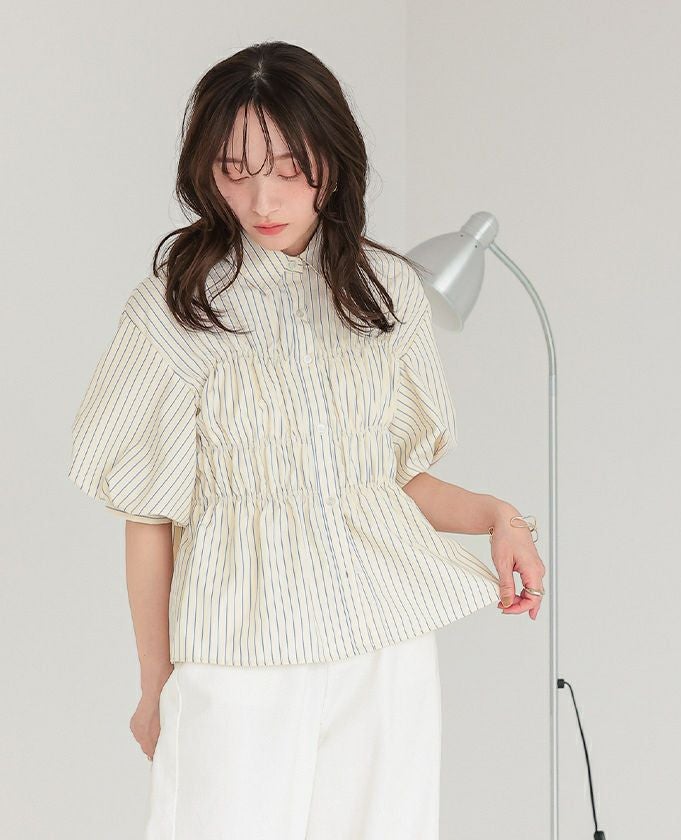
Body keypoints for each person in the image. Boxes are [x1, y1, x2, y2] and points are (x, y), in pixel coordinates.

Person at [68, 40, 545, 840]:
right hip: (239, 650)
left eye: (290, 167)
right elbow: (147, 516)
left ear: (333, 159)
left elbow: (391, 483)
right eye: (234, 169)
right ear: (205, 171)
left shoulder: (388, 293)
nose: (263, 198)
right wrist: (157, 683)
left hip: (383, 645)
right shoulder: (173, 312)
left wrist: (500, 517)